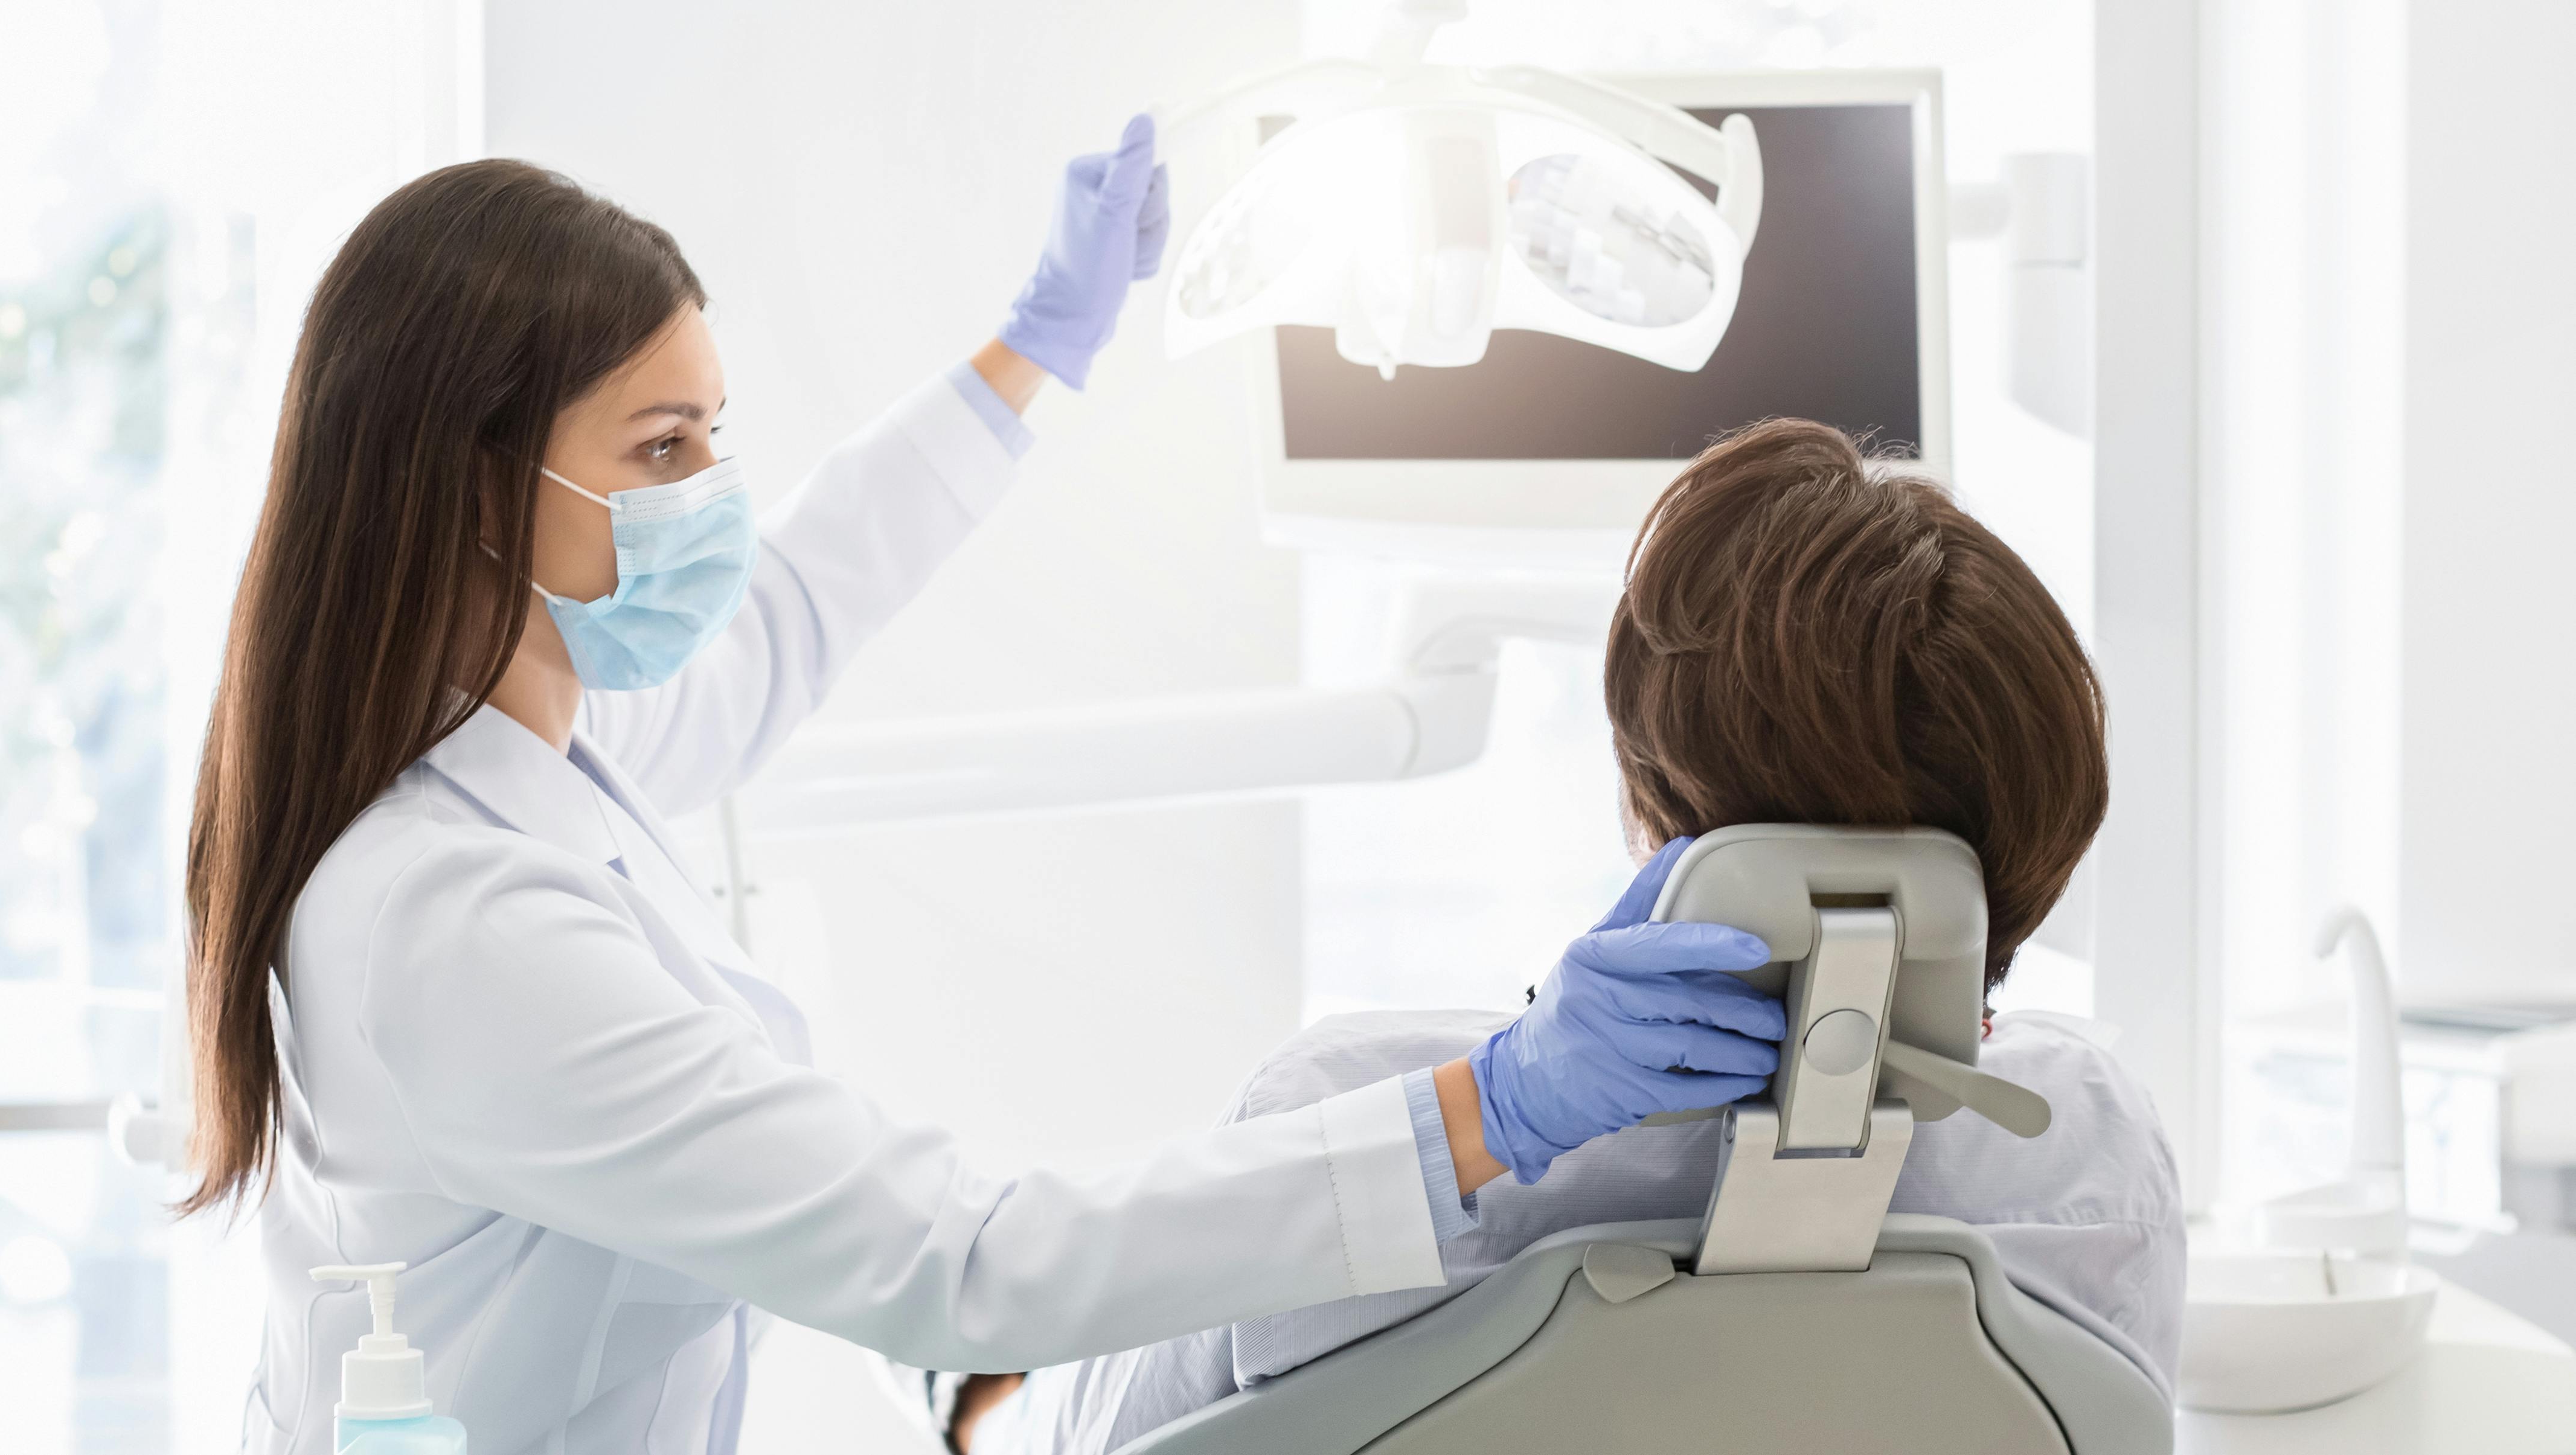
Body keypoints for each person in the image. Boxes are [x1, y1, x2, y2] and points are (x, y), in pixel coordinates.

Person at [187, 121, 1792, 1455]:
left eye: (716, 438)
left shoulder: (521, 753)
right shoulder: (454, 922)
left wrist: (1037, 347)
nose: (716, 498)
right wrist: (1493, 1104)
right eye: (664, 448)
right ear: (479, 488)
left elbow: (793, 610)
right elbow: (965, 1259)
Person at [924, 420, 2186, 1455]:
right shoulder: (2089, 1149)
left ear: (1653, 793)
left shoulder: (1355, 1115)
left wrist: (983, 1393)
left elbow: (1089, 1440)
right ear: (2039, 825)